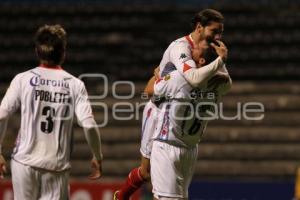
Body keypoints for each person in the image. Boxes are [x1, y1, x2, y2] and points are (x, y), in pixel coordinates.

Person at [114, 8, 225, 200]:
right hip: (158, 109)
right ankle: (121, 196)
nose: (218, 36)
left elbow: (223, 80)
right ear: (199, 27)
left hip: (177, 110)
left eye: (220, 32)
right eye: (214, 31)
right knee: (146, 172)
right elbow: (189, 78)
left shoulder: (209, 52)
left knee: (163, 184)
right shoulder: (180, 47)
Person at [0, 24, 103, 200]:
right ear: (64, 52)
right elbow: (89, 124)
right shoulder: (75, 84)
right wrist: (97, 156)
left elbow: (1, 115)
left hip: (23, 164)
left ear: (37, 51)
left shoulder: (22, 79)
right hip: (55, 167)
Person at [151, 40, 231, 200]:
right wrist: (220, 60)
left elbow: (151, 93)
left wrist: (160, 75)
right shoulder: (222, 84)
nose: (190, 48)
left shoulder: (178, 79)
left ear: (201, 60)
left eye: (196, 48)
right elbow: (222, 76)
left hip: (167, 145)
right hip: (190, 149)